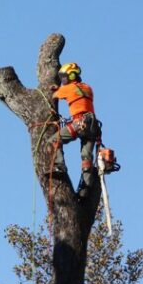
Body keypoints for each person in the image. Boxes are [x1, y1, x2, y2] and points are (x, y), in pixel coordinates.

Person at [49, 62, 100, 198]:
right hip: (92, 124)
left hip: (80, 123)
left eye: (64, 77)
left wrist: (55, 90)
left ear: (71, 76)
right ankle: (86, 189)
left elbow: (53, 96)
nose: (63, 80)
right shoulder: (88, 88)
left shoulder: (67, 88)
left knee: (54, 140)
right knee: (87, 157)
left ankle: (59, 166)